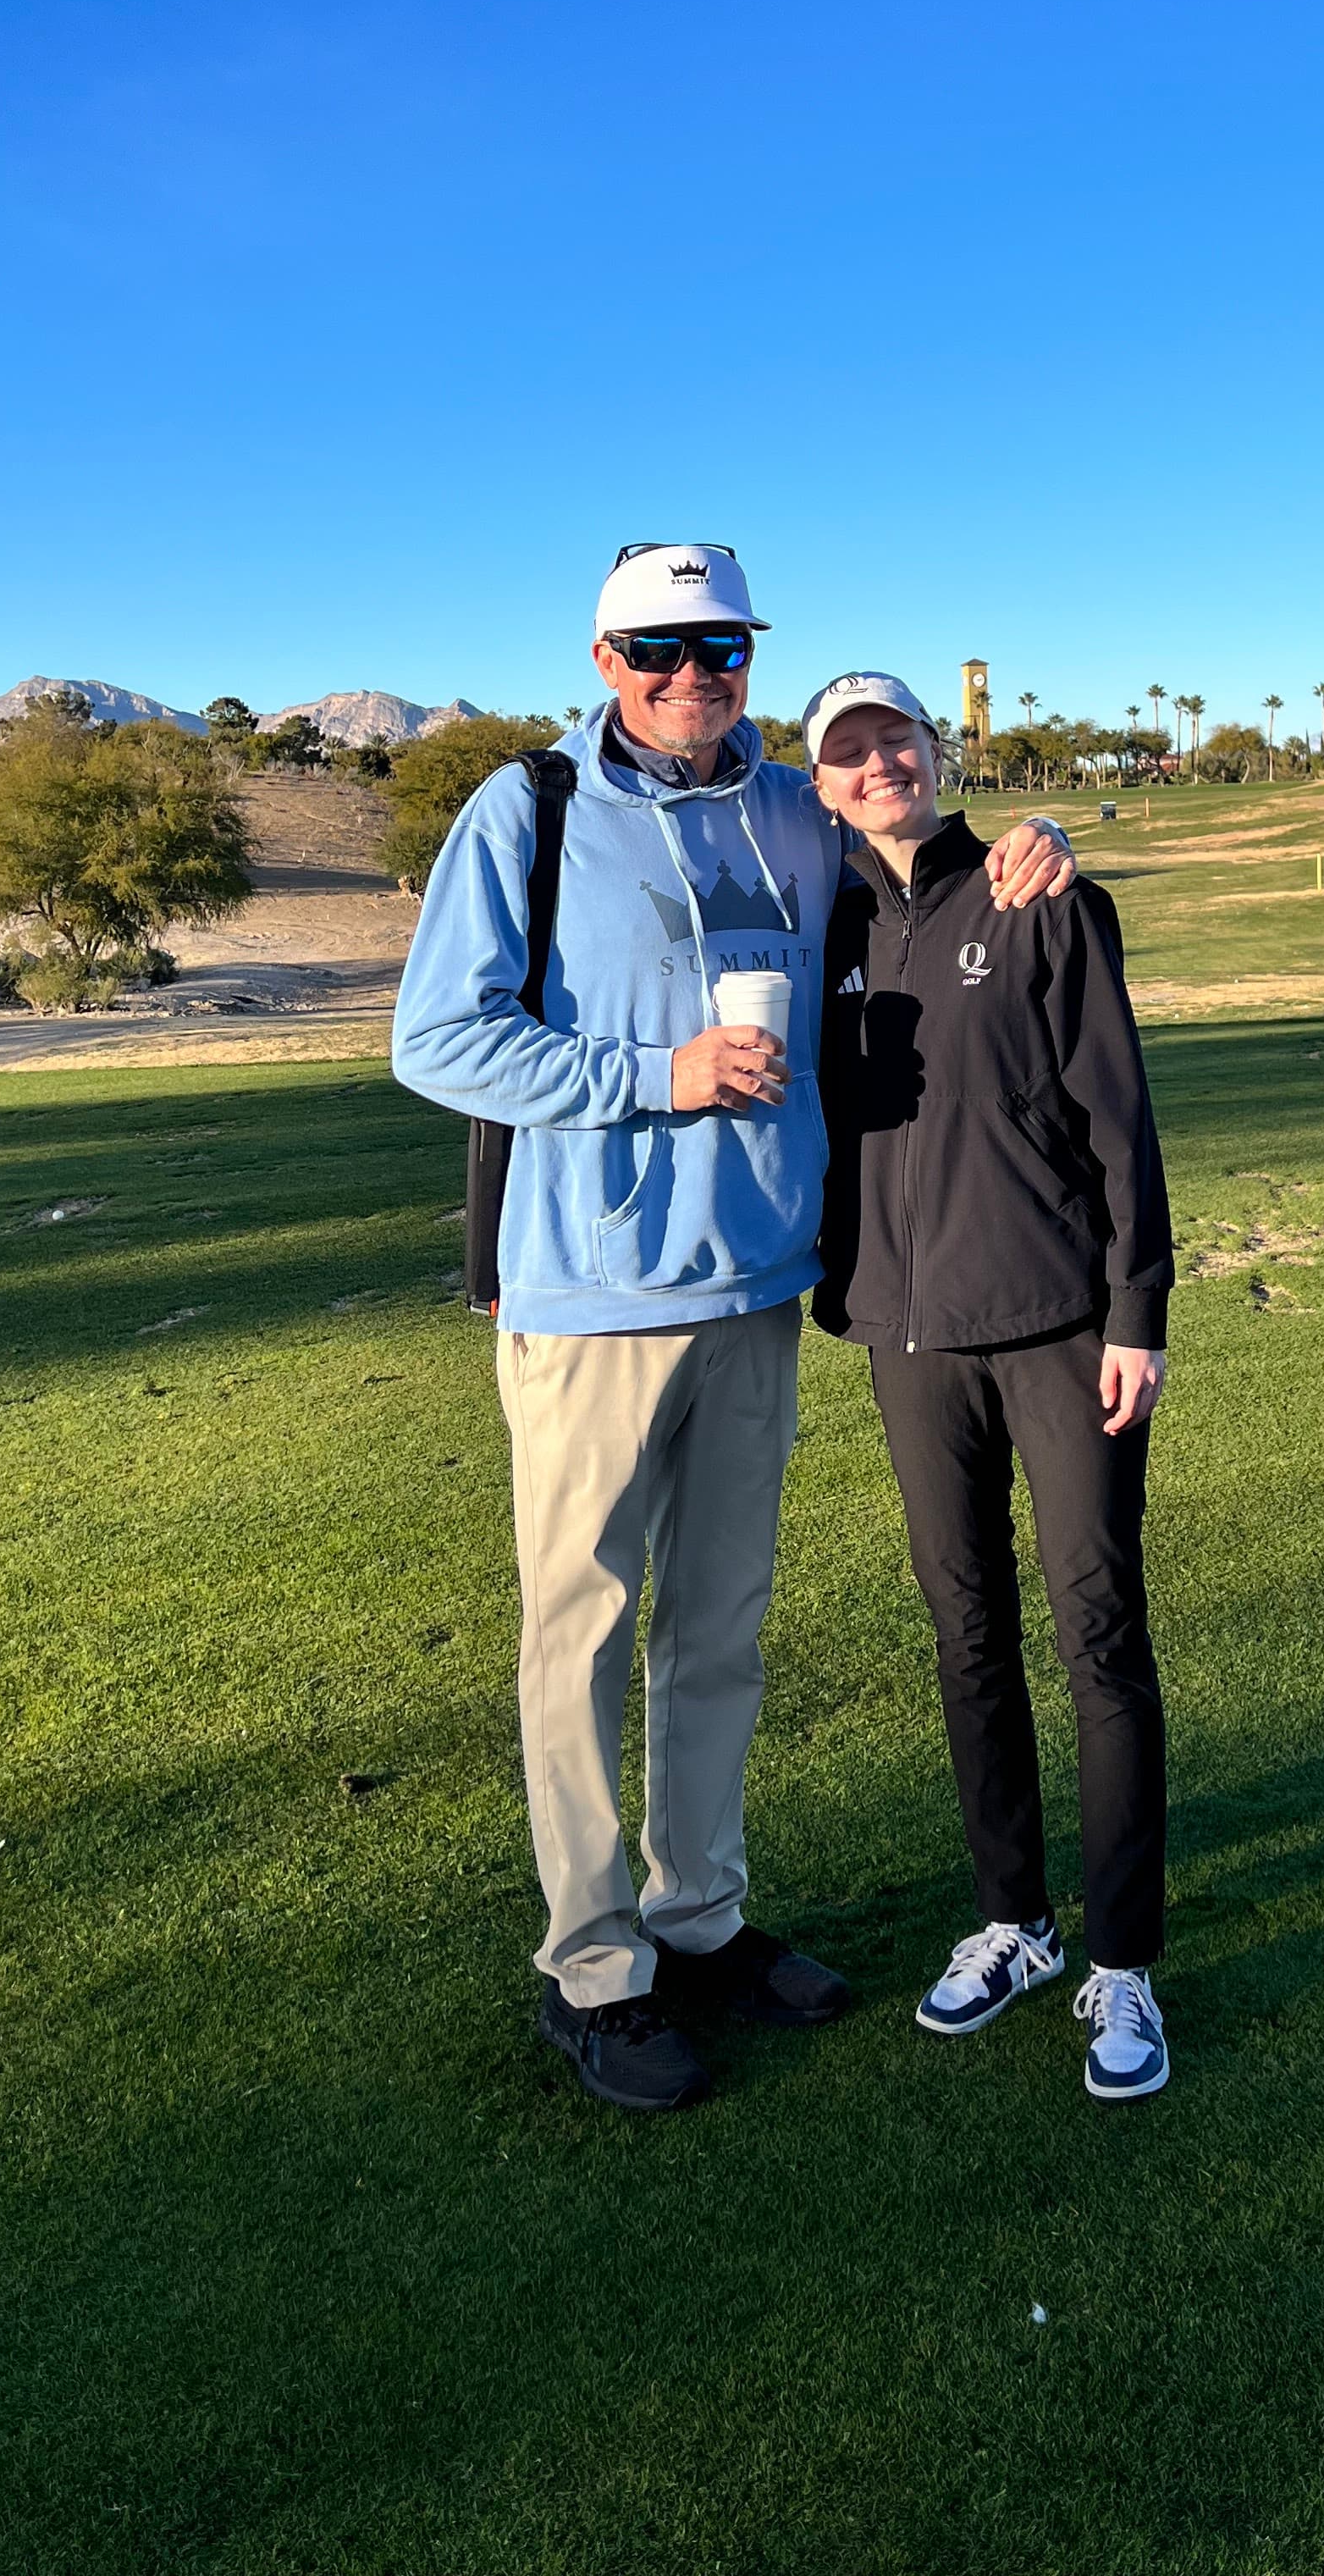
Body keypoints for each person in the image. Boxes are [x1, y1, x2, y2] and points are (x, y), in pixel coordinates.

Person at [389, 549, 1073, 2114]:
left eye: (722, 645)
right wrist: (656, 1074)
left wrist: (1035, 841)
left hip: (760, 1285)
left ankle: (697, 1916)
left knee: (722, 1632)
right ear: (606, 655)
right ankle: (594, 1966)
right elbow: (437, 1038)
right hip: (593, 1296)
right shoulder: (531, 812)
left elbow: (917, 869)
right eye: (659, 647)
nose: (692, 670)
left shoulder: (786, 806)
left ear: (751, 660)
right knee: (581, 1636)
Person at [808, 672, 1178, 2102]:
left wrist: (1136, 1308)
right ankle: (1015, 1924)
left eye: (895, 739)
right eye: (849, 753)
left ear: (932, 752)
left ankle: (1123, 1962)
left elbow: (1121, 1121)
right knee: (966, 1635)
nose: (878, 764)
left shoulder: (1039, 898)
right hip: (905, 1334)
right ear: (823, 785)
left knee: (1097, 1633)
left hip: (1064, 1325)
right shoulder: (823, 921)